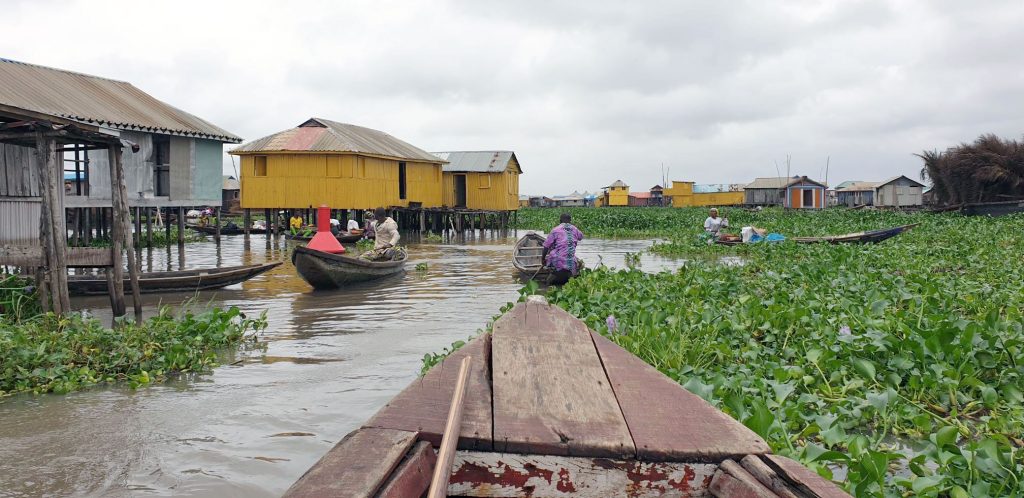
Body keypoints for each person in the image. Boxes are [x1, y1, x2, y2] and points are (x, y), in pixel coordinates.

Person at [542, 213, 584, 285]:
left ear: (560, 220)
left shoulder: (555, 230)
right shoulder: (575, 229)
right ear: (570, 220)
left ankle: (551, 276)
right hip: (571, 262)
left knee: (552, 254)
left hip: (558, 262)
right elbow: (580, 237)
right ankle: (571, 275)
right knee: (573, 257)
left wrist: (542, 259)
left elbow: (546, 246)